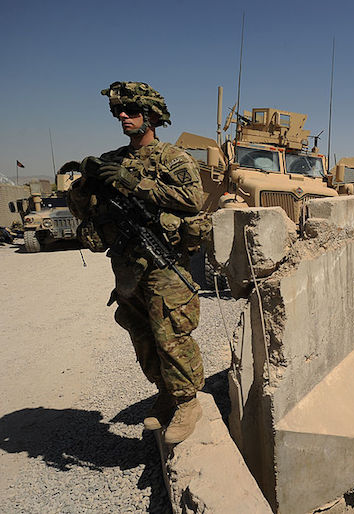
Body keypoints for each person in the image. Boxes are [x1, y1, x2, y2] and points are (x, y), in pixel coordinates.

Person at [68, 81, 206, 444]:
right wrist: (84, 184)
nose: (123, 117)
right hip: (128, 265)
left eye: (131, 112)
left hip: (164, 264)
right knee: (142, 334)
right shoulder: (112, 159)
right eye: (119, 113)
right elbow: (85, 210)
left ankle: (187, 402)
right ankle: (165, 393)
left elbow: (193, 199)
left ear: (151, 116)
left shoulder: (173, 158)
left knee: (171, 335)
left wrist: (134, 183)